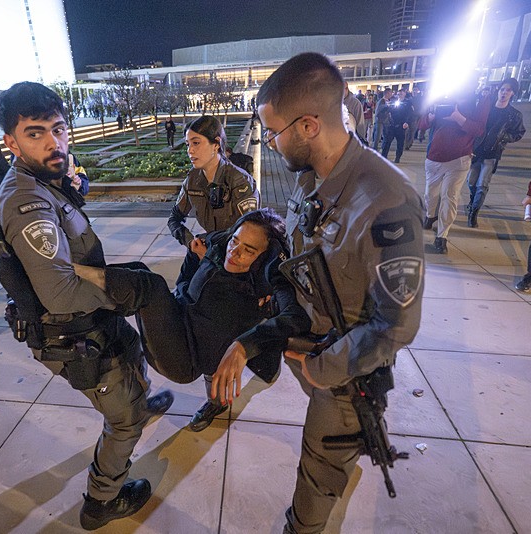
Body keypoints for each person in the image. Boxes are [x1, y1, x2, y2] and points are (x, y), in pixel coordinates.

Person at [212, 53, 424, 534]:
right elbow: (299, 267)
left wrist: (322, 370)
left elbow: (397, 324)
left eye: (274, 130)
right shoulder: (312, 178)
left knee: (316, 479)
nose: (269, 140)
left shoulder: (385, 199)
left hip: (346, 371)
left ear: (308, 125)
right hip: (310, 346)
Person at [0, 82, 173, 531]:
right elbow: (61, 293)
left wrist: (70, 188)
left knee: (133, 355)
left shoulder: (45, 180)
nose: (54, 142)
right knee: (122, 423)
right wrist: (131, 291)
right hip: (74, 333)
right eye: (35, 133)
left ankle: (138, 403)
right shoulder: (26, 201)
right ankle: (101, 503)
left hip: (96, 319)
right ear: (10, 142)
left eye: (59, 128)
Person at [74, 209, 311, 432]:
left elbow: (296, 316)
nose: (235, 252)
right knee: (140, 272)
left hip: (188, 360)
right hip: (181, 323)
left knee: (151, 286)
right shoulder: (217, 247)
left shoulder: (266, 282)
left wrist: (245, 347)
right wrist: (196, 264)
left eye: (249, 250)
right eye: (235, 240)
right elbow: (185, 274)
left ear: (265, 260)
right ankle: (78, 285)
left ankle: (70, 273)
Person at [168, 115, 260, 289]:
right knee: (180, 290)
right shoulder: (193, 180)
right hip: (206, 248)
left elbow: (251, 233)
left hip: (235, 259)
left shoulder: (239, 181)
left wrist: (211, 252)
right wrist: (190, 242)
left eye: (196, 143)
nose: (190, 151)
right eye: (188, 144)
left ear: (216, 144)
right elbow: (174, 218)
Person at [423, 84, 491, 253]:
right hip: (434, 157)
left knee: (449, 197)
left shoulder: (479, 102)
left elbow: (479, 130)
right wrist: (429, 118)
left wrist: (458, 117)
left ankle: (442, 237)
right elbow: (421, 124)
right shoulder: (442, 98)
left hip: (459, 159)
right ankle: (430, 215)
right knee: (430, 194)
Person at [465, 78, 526, 227]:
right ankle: (473, 201)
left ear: (512, 93)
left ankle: (474, 213)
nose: (504, 92)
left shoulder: (514, 114)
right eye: (502, 89)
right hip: (477, 151)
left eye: (508, 90)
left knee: (482, 185)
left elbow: (518, 133)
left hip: (492, 154)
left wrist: (503, 137)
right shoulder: (486, 107)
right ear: (498, 91)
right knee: (471, 182)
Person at [380, 88, 413, 163]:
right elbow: (388, 110)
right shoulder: (393, 101)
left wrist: (407, 122)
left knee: (400, 143)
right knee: (387, 142)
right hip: (392, 124)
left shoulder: (408, 103)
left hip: (401, 125)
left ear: (405, 94)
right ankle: (383, 157)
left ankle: (397, 157)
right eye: (399, 93)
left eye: (402, 93)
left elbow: (410, 114)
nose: (400, 94)